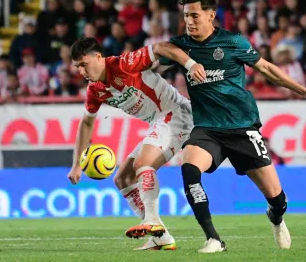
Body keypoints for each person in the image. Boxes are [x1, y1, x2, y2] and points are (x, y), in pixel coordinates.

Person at [159, 0, 306, 253]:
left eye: (194, 15)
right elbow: (155, 52)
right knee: (189, 168)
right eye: (185, 16)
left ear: (211, 15)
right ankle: (214, 239)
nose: (189, 21)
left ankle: (276, 217)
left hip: (242, 128)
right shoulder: (182, 45)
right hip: (208, 129)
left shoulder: (233, 42)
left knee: (278, 199)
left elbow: (267, 69)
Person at [66, 37, 205, 251]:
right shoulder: (95, 90)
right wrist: (76, 164)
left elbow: (160, 47)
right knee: (123, 178)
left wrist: (191, 64)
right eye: (77, 67)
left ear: (98, 57)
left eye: (84, 64)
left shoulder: (124, 64)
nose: (82, 71)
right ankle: (161, 237)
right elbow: (86, 123)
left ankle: (152, 220)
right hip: (158, 122)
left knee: (143, 163)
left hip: (176, 113)